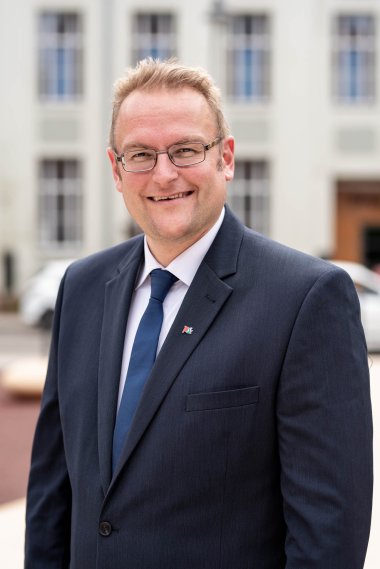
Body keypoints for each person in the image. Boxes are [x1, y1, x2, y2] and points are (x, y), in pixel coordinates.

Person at [25, 58, 373, 569]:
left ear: (225, 158)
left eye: (186, 150)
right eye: (140, 154)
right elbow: (52, 494)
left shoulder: (306, 299)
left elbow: (328, 535)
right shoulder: (81, 288)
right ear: (116, 170)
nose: (164, 174)